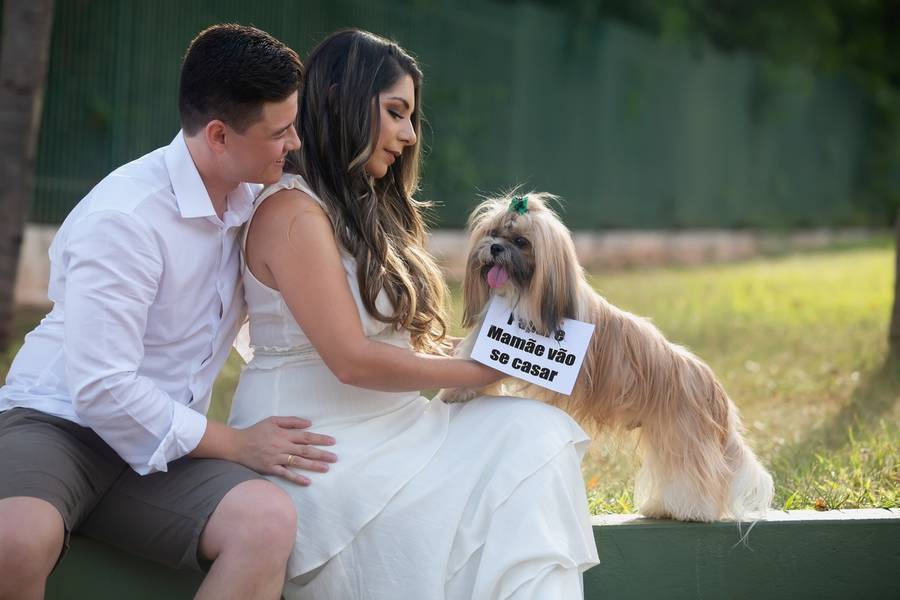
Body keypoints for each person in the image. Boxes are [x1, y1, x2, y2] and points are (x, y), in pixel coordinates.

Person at [228, 28, 600, 599]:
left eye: (411, 117)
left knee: (535, 433)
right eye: (395, 112)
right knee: (516, 459)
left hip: (396, 429)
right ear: (341, 101)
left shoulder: (359, 209)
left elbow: (389, 345)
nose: (407, 134)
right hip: (323, 449)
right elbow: (351, 360)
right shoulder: (292, 214)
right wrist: (480, 369)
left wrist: (499, 349)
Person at [0, 24, 336, 600]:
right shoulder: (125, 217)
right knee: (16, 539)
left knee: (266, 521)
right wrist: (238, 444)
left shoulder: (259, 199)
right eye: (280, 131)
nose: (295, 143)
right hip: (59, 425)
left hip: (162, 453)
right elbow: (102, 389)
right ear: (219, 135)